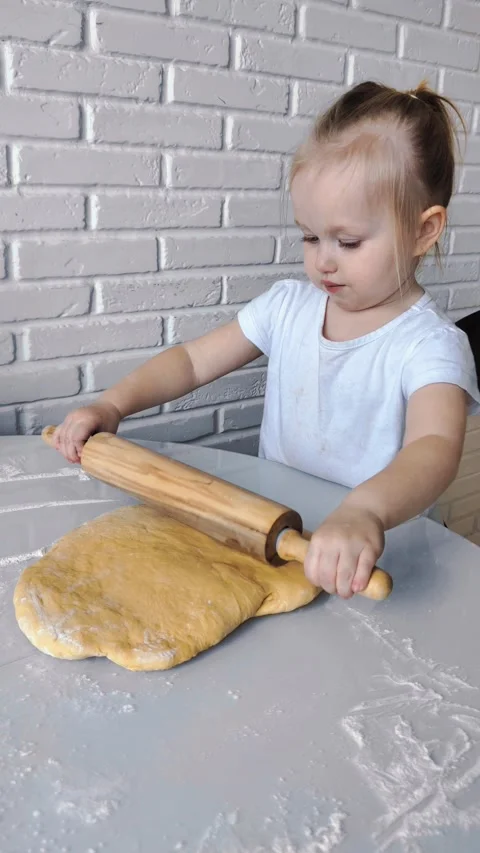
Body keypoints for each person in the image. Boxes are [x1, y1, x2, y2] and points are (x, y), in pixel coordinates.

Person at [51, 80, 480, 599]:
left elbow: (434, 448)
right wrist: (114, 404)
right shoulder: (287, 307)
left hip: (374, 555)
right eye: (310, 236)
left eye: (347, 241)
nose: (323, 259)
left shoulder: (430, 345)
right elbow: (190, 362)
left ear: (423, 230)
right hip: (278, 539)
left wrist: (366, 511)